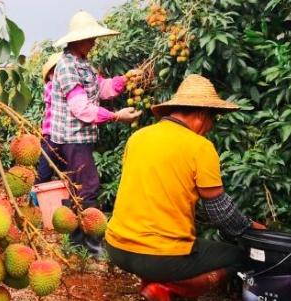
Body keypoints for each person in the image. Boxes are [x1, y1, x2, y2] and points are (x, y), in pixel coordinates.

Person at [105, 74, 266, 300]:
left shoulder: (138, 137)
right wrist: (252, 229)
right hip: (158, 256)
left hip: (116, 247)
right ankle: (169, 289)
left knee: (182, 245)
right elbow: (221, 215)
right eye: (213, 119)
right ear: (202, 114)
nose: (211, 127)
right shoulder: (200, 147)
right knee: (241, 256)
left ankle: (157, 288)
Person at [51, 11, 141, 256]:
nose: (93, 43)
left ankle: (75, 242)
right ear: (77, 40)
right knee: (88, 186)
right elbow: (81, 108)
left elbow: (102, 88)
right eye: (89, 38)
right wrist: (116, 116)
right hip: (72, 139)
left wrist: (125, 80)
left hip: (80, 138)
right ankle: (90, 247)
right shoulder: (67, 66)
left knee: (77, 187)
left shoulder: (83, 64)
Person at [35, 52, 65, 184]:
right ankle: (36, 196)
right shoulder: (50, 87)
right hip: (50, 137)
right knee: (44, 172)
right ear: (50, 75)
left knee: (66, 169)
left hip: (64, 137)